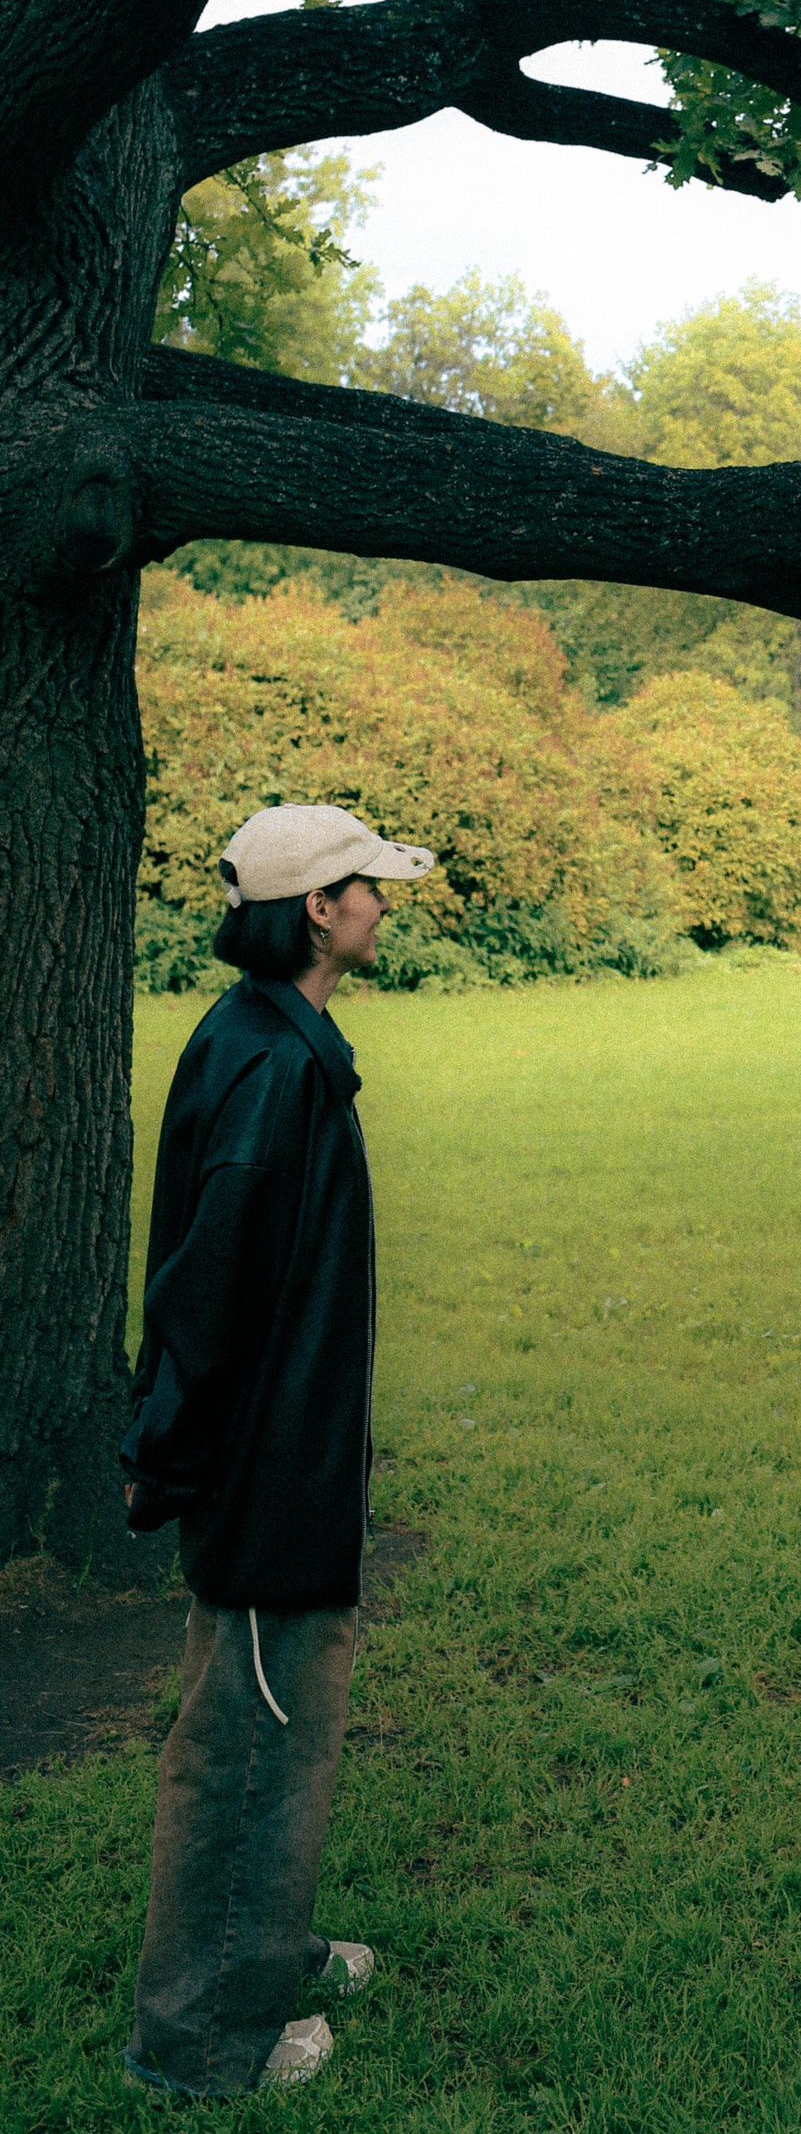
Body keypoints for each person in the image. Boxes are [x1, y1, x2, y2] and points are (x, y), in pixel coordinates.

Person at [119, 804, 435, 2099]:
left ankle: (265, 1946)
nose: (383, 904)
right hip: (262, 1473)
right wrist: (172, 1460)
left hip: (288, 1457)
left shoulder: (270, 1036)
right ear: (318, 909)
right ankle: (202, 2039)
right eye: (369, 886)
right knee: (247, 1741)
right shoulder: (267, 1069)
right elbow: (206, 1297)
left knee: (281, 1721)